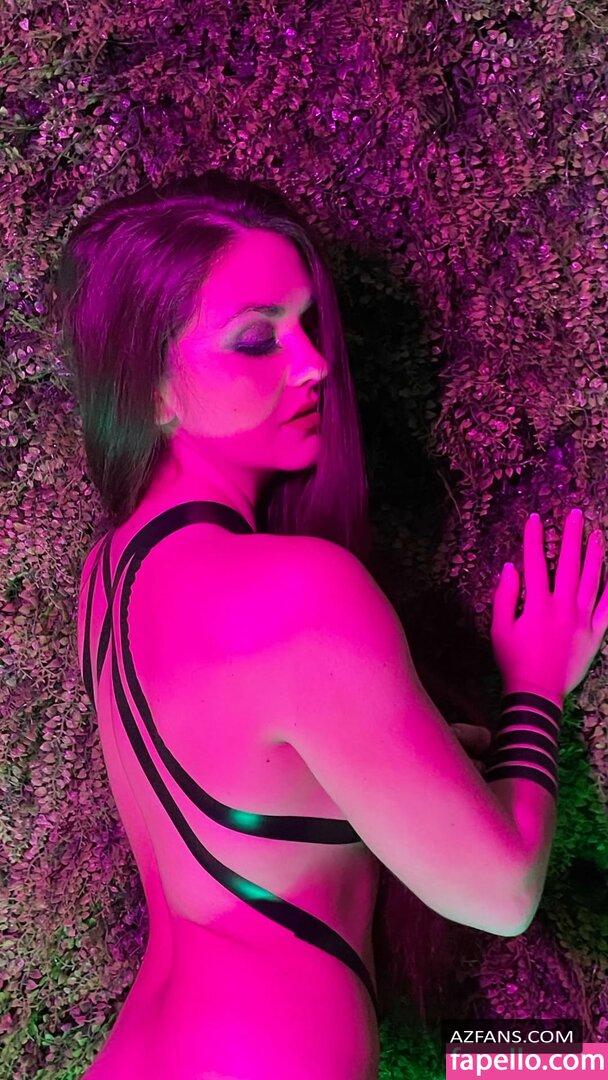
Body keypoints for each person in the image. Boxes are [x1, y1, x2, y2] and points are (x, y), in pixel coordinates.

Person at [51, 172, 608, 1079]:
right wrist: (535, 683)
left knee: (581, 1059)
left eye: (309, 326)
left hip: (140, 1055)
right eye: (256, 338)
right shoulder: (294, 593)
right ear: (149, 390)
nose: (313, 364)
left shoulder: (105, 580)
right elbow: (501, 890)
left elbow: (274, 780)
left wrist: (418, 753)